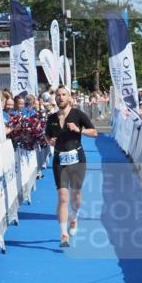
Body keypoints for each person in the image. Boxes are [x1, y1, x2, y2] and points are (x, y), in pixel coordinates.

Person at [45, 86, 97, 248]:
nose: (60, 97)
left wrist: (78, 130)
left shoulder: (78, 114)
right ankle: (63, 234)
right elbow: (47, 135)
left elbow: (94, 132)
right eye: (58, 95)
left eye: (63, 95)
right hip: (59, 159)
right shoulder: (51, 118)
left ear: (69, 98)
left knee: (77, 196)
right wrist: (50, 141)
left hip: (77, 159)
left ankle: (74, 217)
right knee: (62, 197)